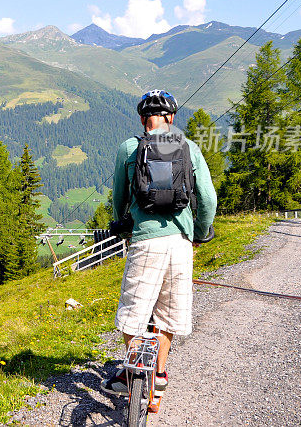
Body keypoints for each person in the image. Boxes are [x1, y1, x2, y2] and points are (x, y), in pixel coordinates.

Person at [100, 89, 217, 395]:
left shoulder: (129, 147)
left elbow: (119, 197)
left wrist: (124, 226)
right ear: (171, 118)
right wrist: (200, 232)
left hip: (146, 243)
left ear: (142, 119)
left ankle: (133, 375)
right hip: (180, 242)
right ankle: (160, 375)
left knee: (132, 315)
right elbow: (207, 197)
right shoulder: (188, 146)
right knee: (168, 315)